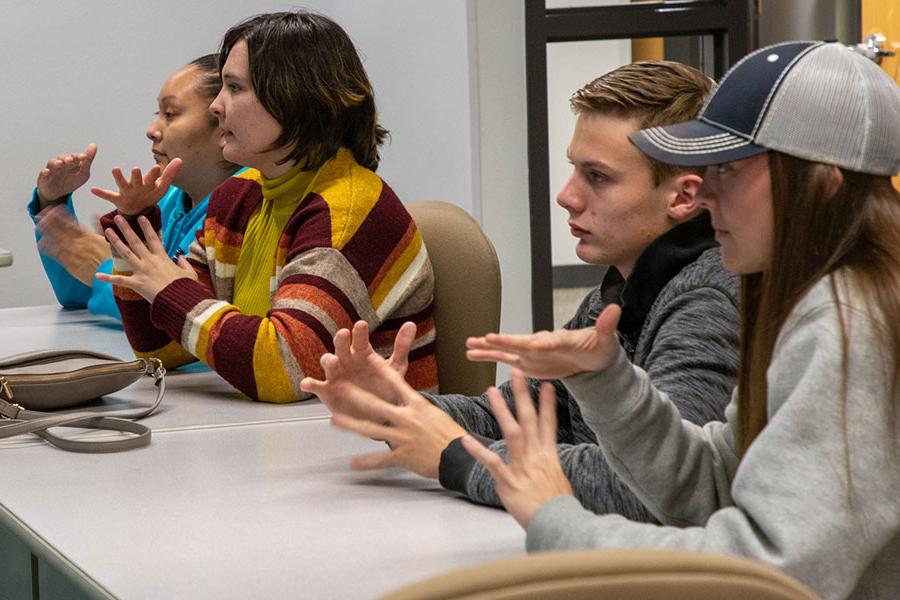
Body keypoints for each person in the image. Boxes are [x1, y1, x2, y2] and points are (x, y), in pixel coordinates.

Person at [456, 41, 900, 600]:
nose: (706, 193)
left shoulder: (850, 324)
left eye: (731, 170)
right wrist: (608, 382)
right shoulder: (801, 296)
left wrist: (557, 521)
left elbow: (767, 573)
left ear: (821, 185)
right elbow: (716, 483)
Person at [301, 61, 740, 517]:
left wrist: (456, 456)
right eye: (574, 170)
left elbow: (650, 490)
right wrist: (398, 407)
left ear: (684, 197)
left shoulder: (707, 302)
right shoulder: (624, 287)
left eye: (598, 177)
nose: (567, 196)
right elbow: (528, 413)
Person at [95, 11, 438, 403]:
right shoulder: (239, 195)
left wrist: (170, 288)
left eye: (235, 88)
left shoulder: (346, 210)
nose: (216, 107)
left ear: (295, 99)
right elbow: (160, 347)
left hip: (373, 444)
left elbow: (282, 368)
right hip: (286, 431)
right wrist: (134, 226)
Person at [28, 55, 240, 321]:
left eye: (170, 114)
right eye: (157, 114)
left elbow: (179, 318)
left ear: (223, 125)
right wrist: (53, 203)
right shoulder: (169, 198)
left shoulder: (241, 206)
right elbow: (79, 294)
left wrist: (109, 267)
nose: (152, 130)